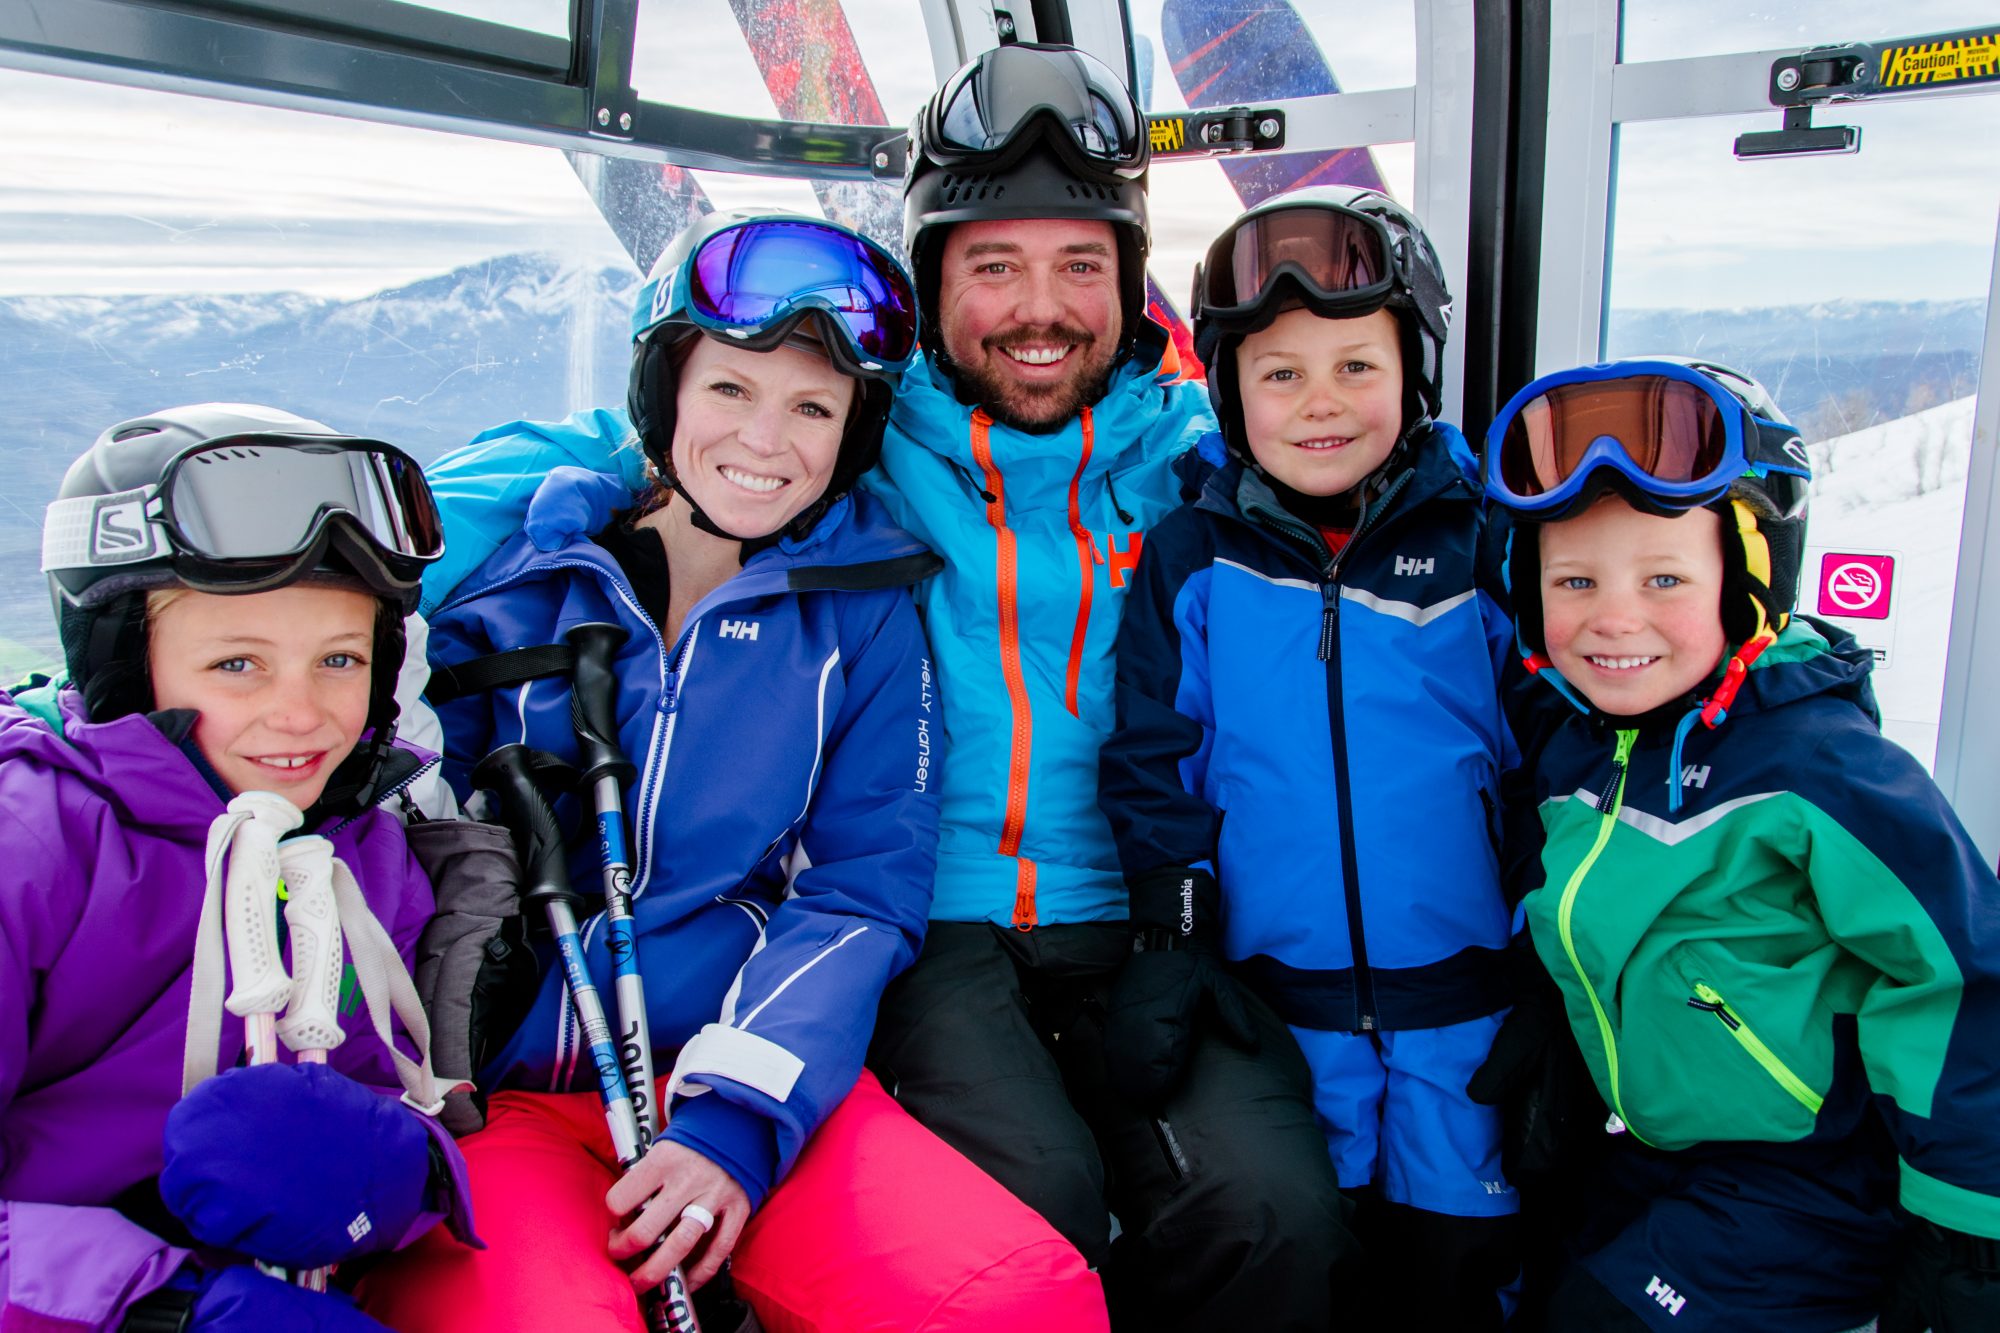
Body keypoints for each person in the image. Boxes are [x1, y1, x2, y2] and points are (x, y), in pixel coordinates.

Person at [358, 210, 1109, 1332]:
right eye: (729, 390)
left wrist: (733, 1123)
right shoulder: (514, 579)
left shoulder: (861, 618)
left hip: (731, 1071)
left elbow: (860, 888)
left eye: (811, 407)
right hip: (497, 1100)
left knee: (1009, 1302)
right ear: (665, 395)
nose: (767, 440)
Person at [858, 44, 1359, 1332]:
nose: (1042, 308)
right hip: (930, 921)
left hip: (1147, 913)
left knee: (1270, 1211)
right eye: (993, 266)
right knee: (1030, 1213)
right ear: (928, 287)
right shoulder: (847, 442)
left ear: (1129, 287)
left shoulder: (1198, 461)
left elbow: (1400, 472)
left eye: (1081, 264)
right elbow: (645, 435)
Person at [1475, 357, 2000, 1332]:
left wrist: (1970, 1225)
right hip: (1646, 1150)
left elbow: (1957, 974)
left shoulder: (1814, 768)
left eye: (1663, 576)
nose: (1612, 617)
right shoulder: (1576, 749)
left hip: (1801, 1179)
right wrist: (1556, 1026)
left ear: (1747, 582)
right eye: (1573, 579)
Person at [1096, 185, 1522, 1329]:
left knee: (1452, 1283)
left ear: (1412, 376)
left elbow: (1545, 761)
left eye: (1354, 367)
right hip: (1279, 1018)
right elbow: (1155, 766)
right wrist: (1169, 945)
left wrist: (1554, 984)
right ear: (1229, 392)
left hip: (1468, 1021)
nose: (1318, 404)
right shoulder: (1195, 557)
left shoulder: (1481, 545)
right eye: (1278, 373)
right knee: (1306, 1270)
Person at [0, 404, 473, 1331]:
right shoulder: (32, 848)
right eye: (238, 664)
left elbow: (388, 1084)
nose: (301, 716)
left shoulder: (355, 853)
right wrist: (163, 1309)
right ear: (125, 668)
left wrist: (394, 1171)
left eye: (339, 658)